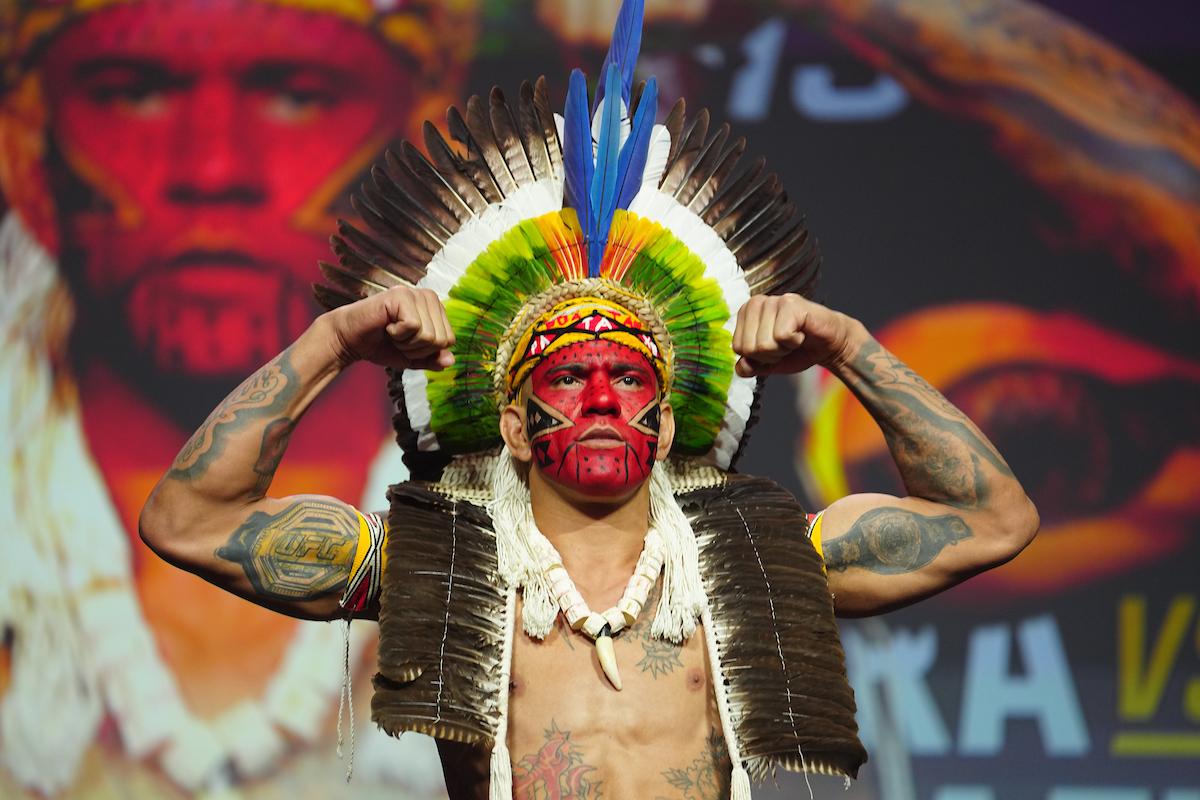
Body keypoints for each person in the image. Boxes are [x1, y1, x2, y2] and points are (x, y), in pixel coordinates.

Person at [141, 3, 1038, 796]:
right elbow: (188, 522)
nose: (604, 396)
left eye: (631, 377)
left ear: (670, 422)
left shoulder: (752, 564)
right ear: (513, 425)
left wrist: (849, 348)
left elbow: (994, 521)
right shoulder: (438, 563)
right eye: (568, 376)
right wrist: (333, 341)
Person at [0, 0, 473, 794]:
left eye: (299, 94)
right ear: (22, 150)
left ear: (425, 150)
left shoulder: (518, 539)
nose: (213, 170)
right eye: (132, 91)